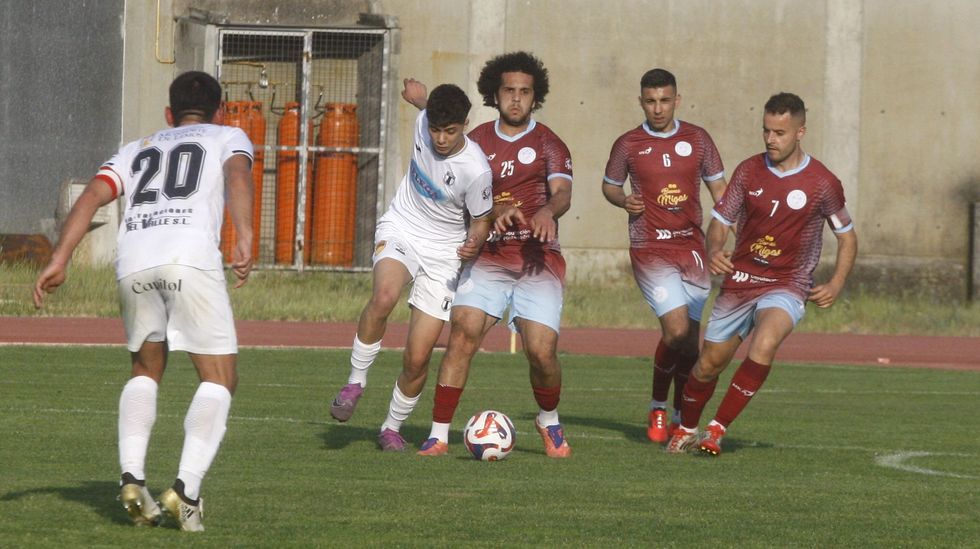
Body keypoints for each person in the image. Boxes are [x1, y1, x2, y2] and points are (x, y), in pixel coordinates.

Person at [33, 71, 255, 531]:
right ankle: (186, 491)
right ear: (220, 111)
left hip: (134, 261)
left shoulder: (137, 148)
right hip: (188, 259)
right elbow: (237, 176)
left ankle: (132, 479)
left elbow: (93, 197)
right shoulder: (229, 134)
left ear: (169, 115)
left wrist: (60, 257)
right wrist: (246, 233)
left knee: (145, 369)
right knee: (219, 377)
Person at [665, 92, 858, 456]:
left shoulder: (822, 183)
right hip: (741, 282)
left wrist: (836, 282)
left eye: (780, 133)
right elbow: (720, 222)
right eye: (766, 131)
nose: (771, 139)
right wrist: (714, 250)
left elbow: (847, 237)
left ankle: (716, 430)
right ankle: (686, 428)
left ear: (800, 132)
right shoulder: (749, 171)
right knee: (708, 365)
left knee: (765, 342)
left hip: (788, 284)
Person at [412, 51, 575, 458]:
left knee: (541, 352)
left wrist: (546, 211)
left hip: (537, 260)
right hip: (487, 258)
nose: (516, 99)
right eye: (509, 91)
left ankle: (548, 421)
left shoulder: (549, 143)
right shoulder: (476, 142)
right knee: (463, 334)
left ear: (535, 96)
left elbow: (563, 193)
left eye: (525, 92)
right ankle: (437, 434)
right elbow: (454, 192)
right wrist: (491, 213)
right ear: (494, 94)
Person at [327, 80, 494, 453]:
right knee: (384, 296)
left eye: (450, 131)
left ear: (465, 124)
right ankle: (355, 382)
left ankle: (391, 427)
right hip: (402, 226)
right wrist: (415, 91)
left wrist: (474, 242)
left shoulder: (476, 170)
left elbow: (482, 219)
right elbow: (421, 99)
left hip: (445, 253)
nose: (441, 138)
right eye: (435, 129)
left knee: (417, 357)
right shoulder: (425, 118)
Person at [602, 68, 727, 444]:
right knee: (674, 329)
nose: (658, 108)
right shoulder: (628, 144)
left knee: (690, 341)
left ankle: (678, 414)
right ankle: (658, 405)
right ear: (641, 102)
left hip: (692, 249)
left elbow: (721, 191)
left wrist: (729, 236)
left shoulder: (699, 139)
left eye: (665, 101)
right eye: (651, 101)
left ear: (677, 100)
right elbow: (609, 186)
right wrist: (624, 199)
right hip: (650, 246)